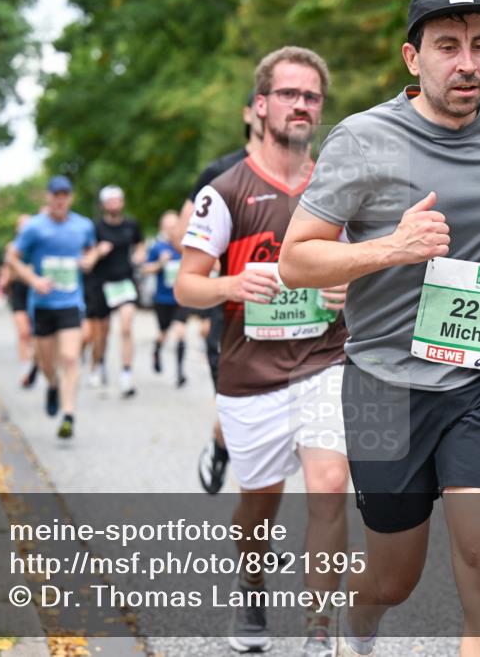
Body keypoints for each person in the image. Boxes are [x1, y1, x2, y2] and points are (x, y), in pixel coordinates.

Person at [278, 0, 480, 655]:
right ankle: (359, 617)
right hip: (384, 383)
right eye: (448, 46)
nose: (466, 62)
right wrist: (393, 246)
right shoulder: (363, 139)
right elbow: (297, 258)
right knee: (393, 576)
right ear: (414, 57)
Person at [176, 46, 351, 656]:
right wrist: (231, 284)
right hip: (250, 373)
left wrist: (346, 285)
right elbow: (186, 284)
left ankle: (319, 631)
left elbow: (363, 264)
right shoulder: (223, 190)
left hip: (325, 360)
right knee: (260, 505)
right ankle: (250, 589)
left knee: (329, 483)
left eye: (311, 96)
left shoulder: (337, 185)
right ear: (260, 105)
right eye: (289, 94)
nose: (301, 104)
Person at [180, 89, 265, 493]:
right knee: (242, 414)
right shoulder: (220, 172)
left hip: (294, 315)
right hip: (233, 311)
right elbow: (187, 230)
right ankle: (220, 443)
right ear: (249, 112)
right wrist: (215, 265)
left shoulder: (307, 171)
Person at [5, 175, 97, 439]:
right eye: (56, 195)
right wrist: (33, 279)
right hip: (43, 305)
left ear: (71, 198)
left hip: (70, 302)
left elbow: (90, 250)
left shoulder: (83, 226)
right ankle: (53, 385)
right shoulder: (34, 227)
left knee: (70, 357)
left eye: (65, 195)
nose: (60, 199)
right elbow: (11, 257)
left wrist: (89, 259)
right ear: (48, 197)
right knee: (47, 363)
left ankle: (68, 415)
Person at [83, 185, 145, 398]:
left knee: (126, 326)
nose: (114, 204)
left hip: (124, 281)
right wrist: (98, 252)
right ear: (103, 205)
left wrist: (139, 255)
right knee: (102, 331)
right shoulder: (95, 228)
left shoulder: (131, 225)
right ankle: (97, 365)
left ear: (122, 202)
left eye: (117, 200)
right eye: (109, 201)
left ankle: (126, 374)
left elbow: (140, 245)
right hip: (101, 283)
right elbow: (86, 261)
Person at [145, 211, 191, 388]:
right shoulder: (158, 247)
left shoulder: (185, 247)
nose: (172, 230)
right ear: (162, 228)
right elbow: (145, 269)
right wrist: (160, 264)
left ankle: (180, 373)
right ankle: (157, 349)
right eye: (168, 227)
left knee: (180, 332)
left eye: (175, 226)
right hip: (163, 299)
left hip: (181, 298)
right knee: (163, 333)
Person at [0, 214, 39, 388]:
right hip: (18, 292)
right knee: (23, 332)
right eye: (21, 225)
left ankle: (35, 360)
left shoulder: (39, 246)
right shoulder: (12, 248)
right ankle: (24, 367)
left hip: (36, 292)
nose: (25, 228)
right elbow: (7, 274)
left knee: (36, 333)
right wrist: (8, 278)